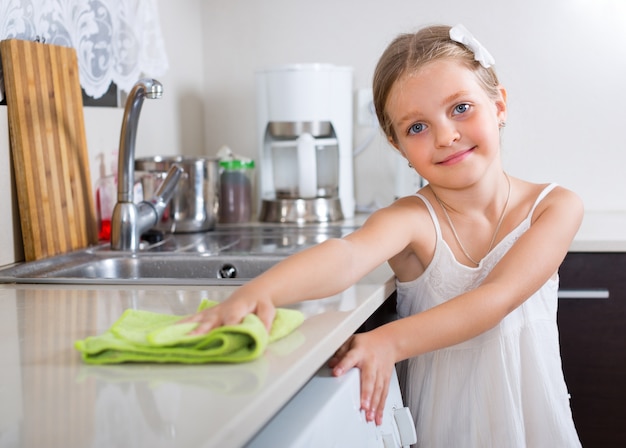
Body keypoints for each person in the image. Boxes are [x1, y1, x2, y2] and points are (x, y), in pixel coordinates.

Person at [183, 24, 583, 447]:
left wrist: (387, 341)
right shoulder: (414, 218)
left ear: (499, 104)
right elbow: (347, 256)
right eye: (417, 128)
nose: (446, 136)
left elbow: (496, 299)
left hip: (535, 420)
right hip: (445, 430)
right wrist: (256, 293)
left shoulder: (555, 207)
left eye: (461, 108)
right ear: (398, 147)